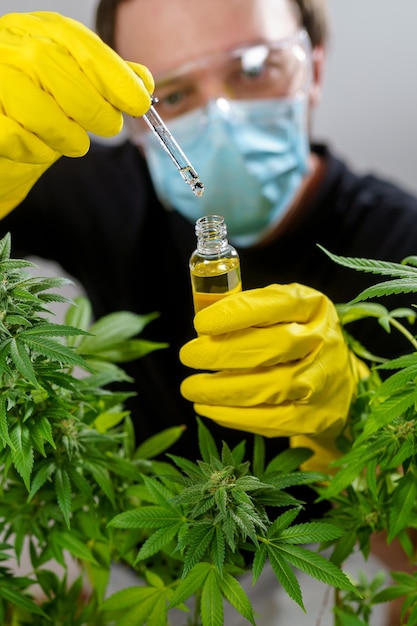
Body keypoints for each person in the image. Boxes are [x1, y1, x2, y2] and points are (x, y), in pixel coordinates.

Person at [1, 0, 417, 474]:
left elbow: (405, 544)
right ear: (132, 116)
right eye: (172, 96)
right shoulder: (98, 191)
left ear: (314, 68)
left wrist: (357, 426)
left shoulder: (401, 253)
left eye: (255, 69)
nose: (221, 119)